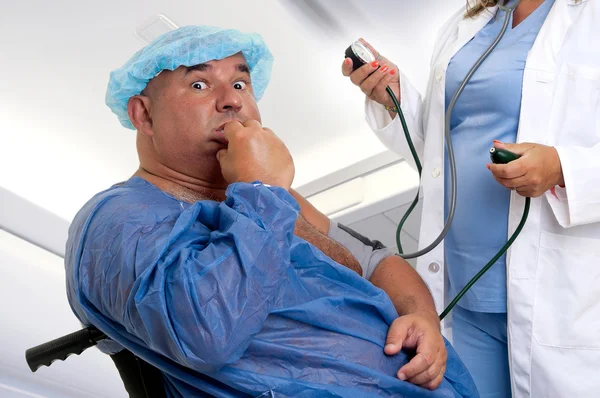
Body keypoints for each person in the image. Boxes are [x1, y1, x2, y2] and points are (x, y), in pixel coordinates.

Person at [64, 26, 479, 397]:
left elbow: (376, 261)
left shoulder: (277, 201)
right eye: (199, 85)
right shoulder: (113, 218)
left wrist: (421, 315)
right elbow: (207, 334)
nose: (232, 101)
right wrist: (262, 189)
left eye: (241, 83)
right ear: (144, 114)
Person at [342, 0, 600, 397]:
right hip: (463, 288)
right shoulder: (471, 23)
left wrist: (562, 167)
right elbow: (440, 148)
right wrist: (393, 98)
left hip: (558, 293)